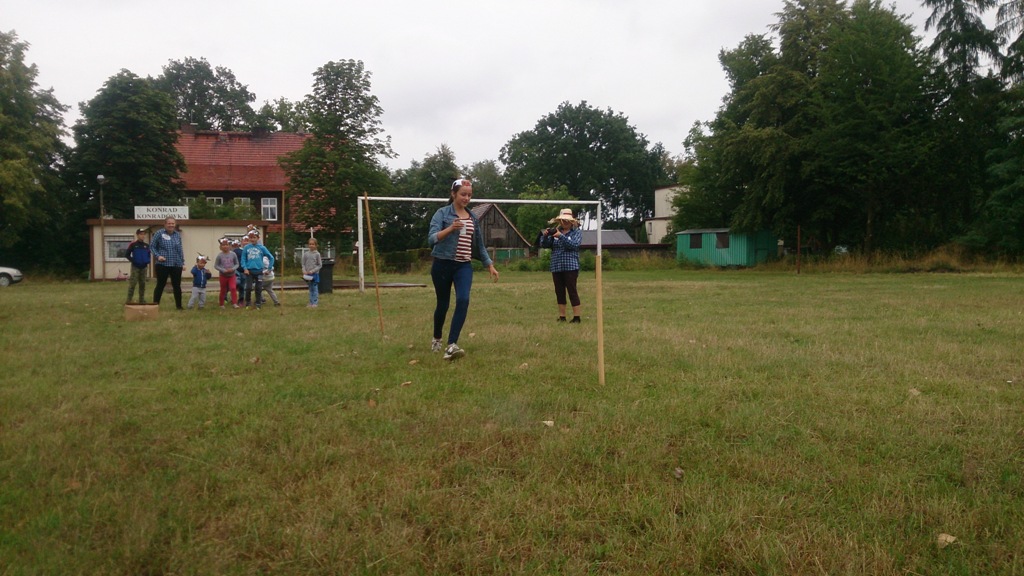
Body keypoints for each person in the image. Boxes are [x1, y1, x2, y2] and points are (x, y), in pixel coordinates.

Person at [427, 178, 499, 361]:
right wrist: (451, 228)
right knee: (443, 305)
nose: (467, 198)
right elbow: (432, 239)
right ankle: (437, 338)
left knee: (464, 299)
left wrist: (489, 265)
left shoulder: (473, 217)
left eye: (469, 195)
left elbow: (480, 245)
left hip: (463, 266)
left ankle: (452, 344)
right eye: (463, 194)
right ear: (453, 194)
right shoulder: (442, 214)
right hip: (442, 264)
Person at [540, 208, 583, 323]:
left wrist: (561, 236)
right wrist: (545, 236)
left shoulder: (576, 232)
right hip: (556, 266)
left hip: (571, 267)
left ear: (572, 222)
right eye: (563, 220)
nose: (564, 222)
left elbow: (574, 245)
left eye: (567, 220)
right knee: (559, 291)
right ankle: (562, 316)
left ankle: (577, 317)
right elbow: (545, 245)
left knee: (572, 291)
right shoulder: (555, 232)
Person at [150, 217, 185, 310]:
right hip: (163, 264)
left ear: (175, 224)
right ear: (165, 224)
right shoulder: (159, 233)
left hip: (176, 264)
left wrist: (182, 262)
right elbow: (152, 246)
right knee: (160, 285)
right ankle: (155, 305)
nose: (171, 225)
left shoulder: (177, 235)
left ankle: (179, 306)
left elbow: (180, 250)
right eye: (169, 223)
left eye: (172, 223)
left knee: (177, 285)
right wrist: (158, 256)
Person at [240, 229, 274, 310]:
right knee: (248, 287)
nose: (252, 239)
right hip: (249, 271)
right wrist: (245, 268)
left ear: (258, 238)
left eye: (254, 237)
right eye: (250, 238)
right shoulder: (246, 248)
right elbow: (243, 259)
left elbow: (271, 257)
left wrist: (269, 269)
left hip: (259, 271)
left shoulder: (262, 248)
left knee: (258, 288)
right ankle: (248, 302)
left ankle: (258, 303)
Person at [124, 227, 150, 304]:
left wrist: (147, 261)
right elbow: (127, 255)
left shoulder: (146, 245)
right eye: (141, 234)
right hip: (135, 267)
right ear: (137, 235)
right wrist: (134, 261)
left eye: (144, 234)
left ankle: (141, 300)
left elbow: (149, 254)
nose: (143, 236)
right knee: (133, 284)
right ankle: (129, 300)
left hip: (144, 267)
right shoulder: (133, 245)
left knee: (142, 284)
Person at [214, 237, 240, 309]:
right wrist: (222, 270)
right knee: (223, 290)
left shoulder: (233, 254)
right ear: (221, 247)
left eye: (227, 245)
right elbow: (216, 265)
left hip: (232, 275)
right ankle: (221, 304)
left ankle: (234, 303)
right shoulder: (219, 255)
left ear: (230, 246)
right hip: (223, 276)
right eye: (223, 245)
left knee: (233, 288)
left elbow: (237, 264)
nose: (225, 246)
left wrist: (232, 269)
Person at [302, 238, 323, 308]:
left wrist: (312, 271)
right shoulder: (306, 254)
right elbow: (303, 264)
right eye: (310, 244)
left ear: (316, 245)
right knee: (310, 289)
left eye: (313, 244)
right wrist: (304, 270)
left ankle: (315, 302)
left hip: (314, 275)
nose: (311, 246)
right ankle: (311, 302)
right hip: (307, 275)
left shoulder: (317, 254)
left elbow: (320, 265)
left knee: (314, 288)